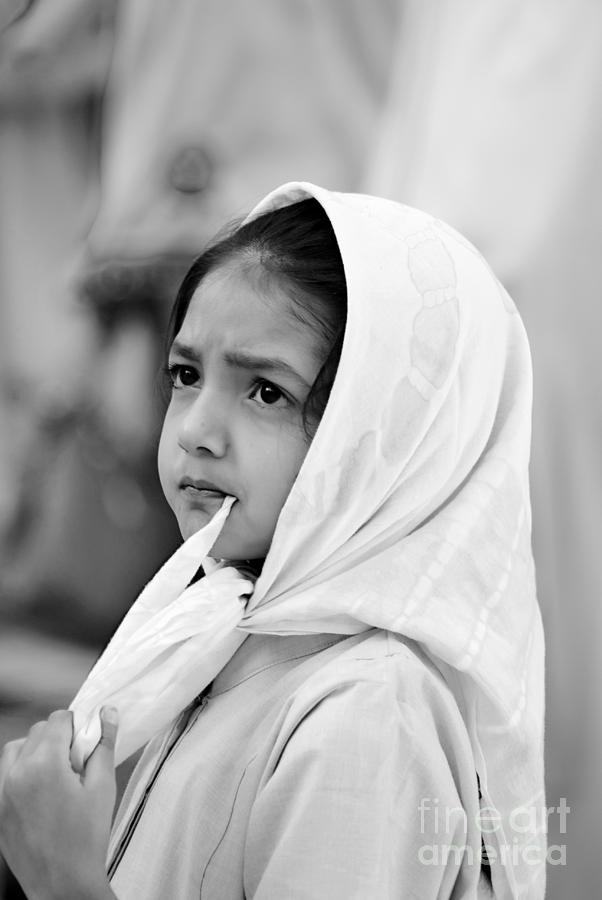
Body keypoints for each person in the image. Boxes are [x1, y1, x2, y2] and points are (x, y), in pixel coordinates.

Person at [0, 182, 546, 899]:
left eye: (266, 392)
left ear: (385, 441)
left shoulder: (368, 715)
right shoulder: (228, 630)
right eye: (187, 376)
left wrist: (65, 880)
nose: (195, 429)